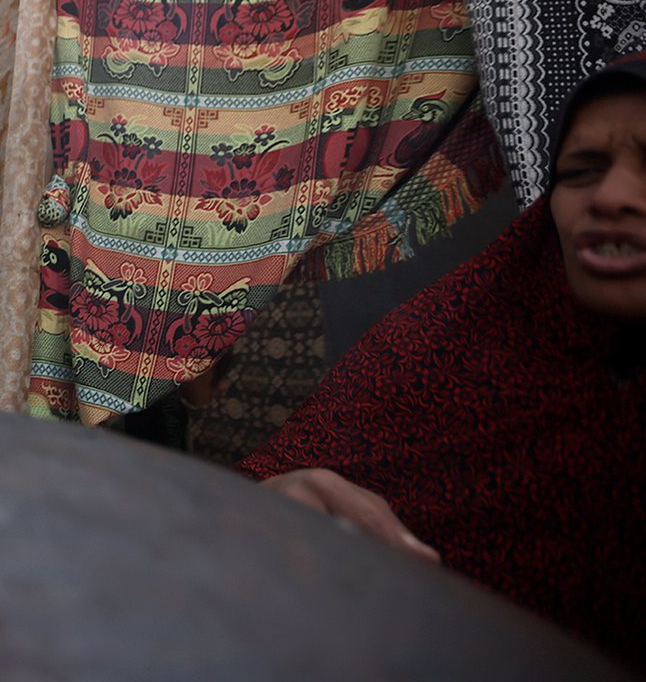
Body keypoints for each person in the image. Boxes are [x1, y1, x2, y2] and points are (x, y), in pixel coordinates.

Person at [239, 54, 646, 668]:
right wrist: (272, 507)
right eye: (582, 170)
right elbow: (226, 525)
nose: (612, 197)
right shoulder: (446, 344)